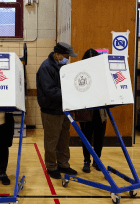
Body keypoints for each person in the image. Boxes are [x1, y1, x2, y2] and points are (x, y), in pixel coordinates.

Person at [36, 42, 78, 179]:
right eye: (67, 56)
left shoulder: (62, 66)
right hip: (51, 111)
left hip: (64, 109)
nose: (68, 59)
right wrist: (71, 93)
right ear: (57, 54)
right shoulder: (46, 68)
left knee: (64, 139)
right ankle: (51, 166)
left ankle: (63, 164)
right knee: (52, 140)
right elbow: (50, 91)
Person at [73, 49, 108, 173]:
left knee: (99, 137)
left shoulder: (102, 72)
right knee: (86, 137)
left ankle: (97, 161)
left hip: (100, 111)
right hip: (86, 110)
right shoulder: (80, 73)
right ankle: (86, 161)